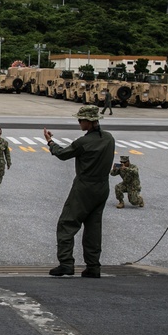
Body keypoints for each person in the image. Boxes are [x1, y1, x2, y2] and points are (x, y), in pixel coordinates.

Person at [43, 105, 115, 278]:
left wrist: (50, 142)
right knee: (93, 228)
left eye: (81, 120)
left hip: (84, 187)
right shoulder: (109, 138)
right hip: (102, 187)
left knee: (67, 224)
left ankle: (66, 264)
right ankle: (93, 266)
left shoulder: (83, 142)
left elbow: (62, 154)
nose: (79, 122)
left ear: (89, 122)